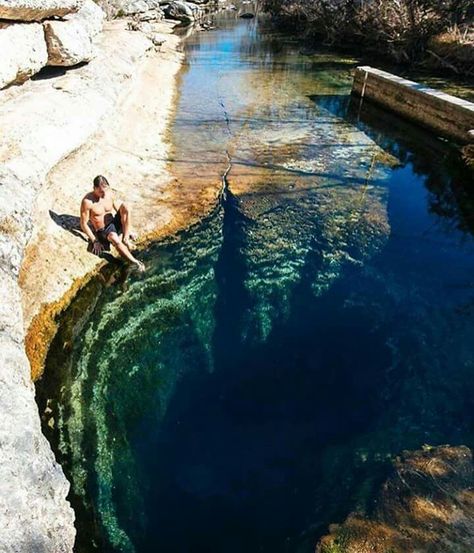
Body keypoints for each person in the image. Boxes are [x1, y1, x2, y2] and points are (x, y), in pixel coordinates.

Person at [80, 175, 145, 272]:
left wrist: (127, 228)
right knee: (114, 238)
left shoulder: (109, 193)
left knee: (126, 206)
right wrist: (95, 241)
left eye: (105, 190)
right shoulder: (87, 201)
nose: (104, 194)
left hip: (113, 222)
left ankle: (126, 239)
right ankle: (135, 262)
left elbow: (118, 208)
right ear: (94, 188)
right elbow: (83, 224)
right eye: (101, 191)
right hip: (103, 230)